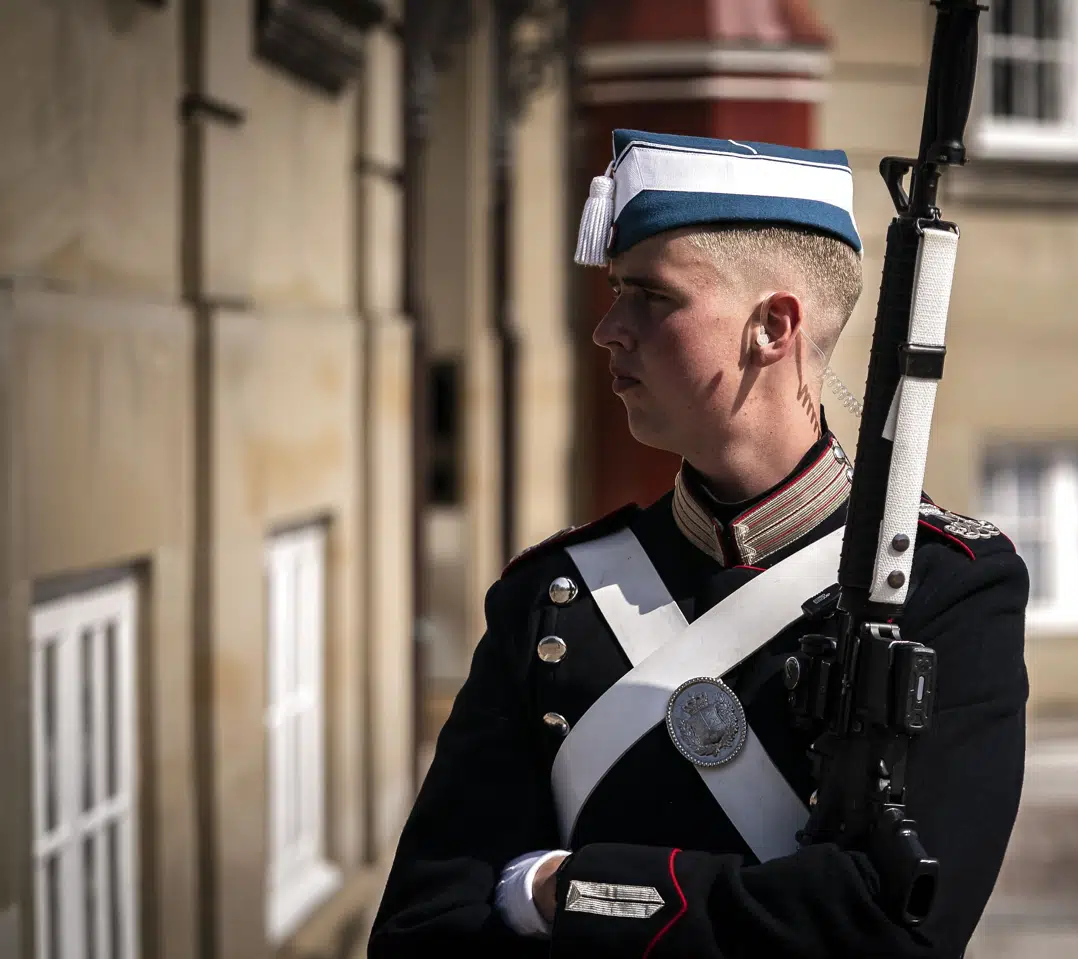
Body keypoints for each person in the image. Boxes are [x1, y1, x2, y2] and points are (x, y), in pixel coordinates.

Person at [368, 129, 1029, 959]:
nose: (608, 328)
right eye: (615, 291)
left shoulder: (949, 590)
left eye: (650, 296)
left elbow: (889, 932)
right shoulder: (552, 596)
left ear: (773, 326)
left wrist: (564, 890)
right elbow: (423, 928)